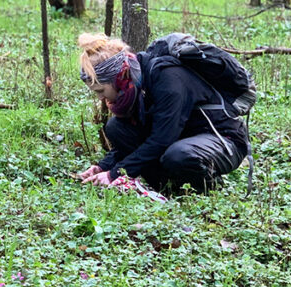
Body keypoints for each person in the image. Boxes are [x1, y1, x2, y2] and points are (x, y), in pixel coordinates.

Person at [76, 33, 250, 194]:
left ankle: (209, 188)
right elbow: (140, 135)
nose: (100, 98)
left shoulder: (167, 79)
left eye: (101, 90)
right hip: (182, 138)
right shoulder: (135, 83)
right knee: (116, 127)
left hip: (224, 140)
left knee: (178, 155)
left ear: (118, 77)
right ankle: (169, 189)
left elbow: (161, 139)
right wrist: (102, 167)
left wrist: (113, 174)